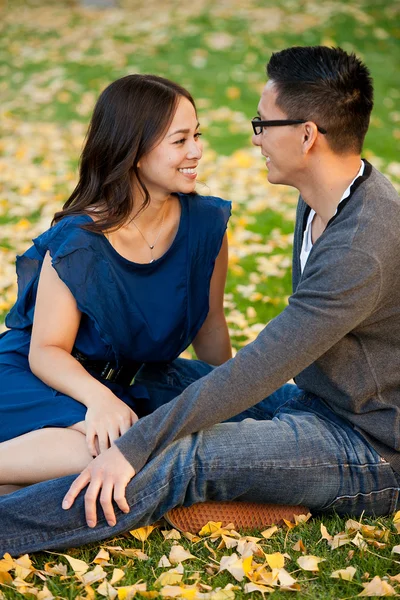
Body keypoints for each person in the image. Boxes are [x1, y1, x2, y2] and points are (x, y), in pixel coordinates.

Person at [1, 45, 400, 556]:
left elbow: (261, 366)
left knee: (177, 453)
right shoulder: (322, 199)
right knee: (150, 383)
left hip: (369, 445)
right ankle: (241, 488)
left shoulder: (363, 244)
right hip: (319, 402)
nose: (254, 138)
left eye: (263, 124)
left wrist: (132, 448)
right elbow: (228, 367)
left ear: (306, 136)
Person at [0, 74, 232, 493]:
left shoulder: (206, 225)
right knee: (103, 455)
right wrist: (99, 401)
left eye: (197, 136)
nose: (197, 151)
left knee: (252, 420)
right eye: (179, 141)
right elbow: (46, 351)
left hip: (130, 386)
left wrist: (228, 397)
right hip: (44, 379)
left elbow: (210, 322)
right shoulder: (80, 241)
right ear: (135, 151)